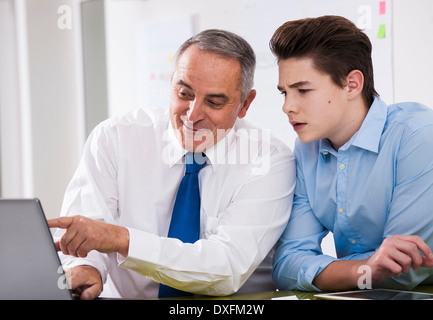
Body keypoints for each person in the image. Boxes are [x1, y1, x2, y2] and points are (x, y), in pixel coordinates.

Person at [48, 29, 296, 299]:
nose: (193, 114)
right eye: (184, 93)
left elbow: (225, 268)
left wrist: (122, 239)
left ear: (245, 104)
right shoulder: (115, 138)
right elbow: (89, 227)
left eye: (214, 102)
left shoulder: (269, 160)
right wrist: (85, 266)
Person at [270, 15, 433, 292]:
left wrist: (334, 270)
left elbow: (404, 271)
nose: (287, 106)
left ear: (352, 84)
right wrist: (367, 268)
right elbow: (286, 266)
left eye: (303, 90)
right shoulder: (306, 148)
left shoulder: (418, 137)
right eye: (284, 92)